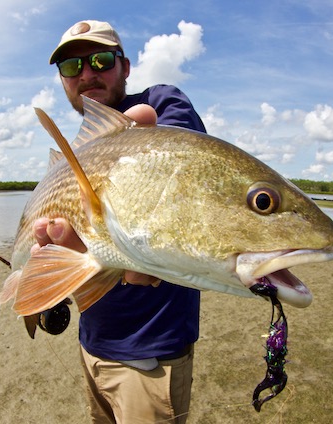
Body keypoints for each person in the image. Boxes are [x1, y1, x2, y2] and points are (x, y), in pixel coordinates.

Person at [32, 20, 206, 423]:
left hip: (151, 357)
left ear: (125, 67)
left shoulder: (161, 104)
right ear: (62, 81)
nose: (87, 74)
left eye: (100, 60)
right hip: (92, 344)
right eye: (71, 67)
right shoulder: (80, 149)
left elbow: (180, 160)